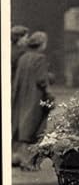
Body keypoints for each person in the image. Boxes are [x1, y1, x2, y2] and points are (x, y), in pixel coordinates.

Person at [12, 31, 55, 169]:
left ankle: (21, 158)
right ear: (42, 44)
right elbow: (42, 80)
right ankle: (29, 161)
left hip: (23, 97)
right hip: (36, 98)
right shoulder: (40, 58)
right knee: (37, 128)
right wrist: (50, 95)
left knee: (24, 128)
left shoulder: (23, 57)